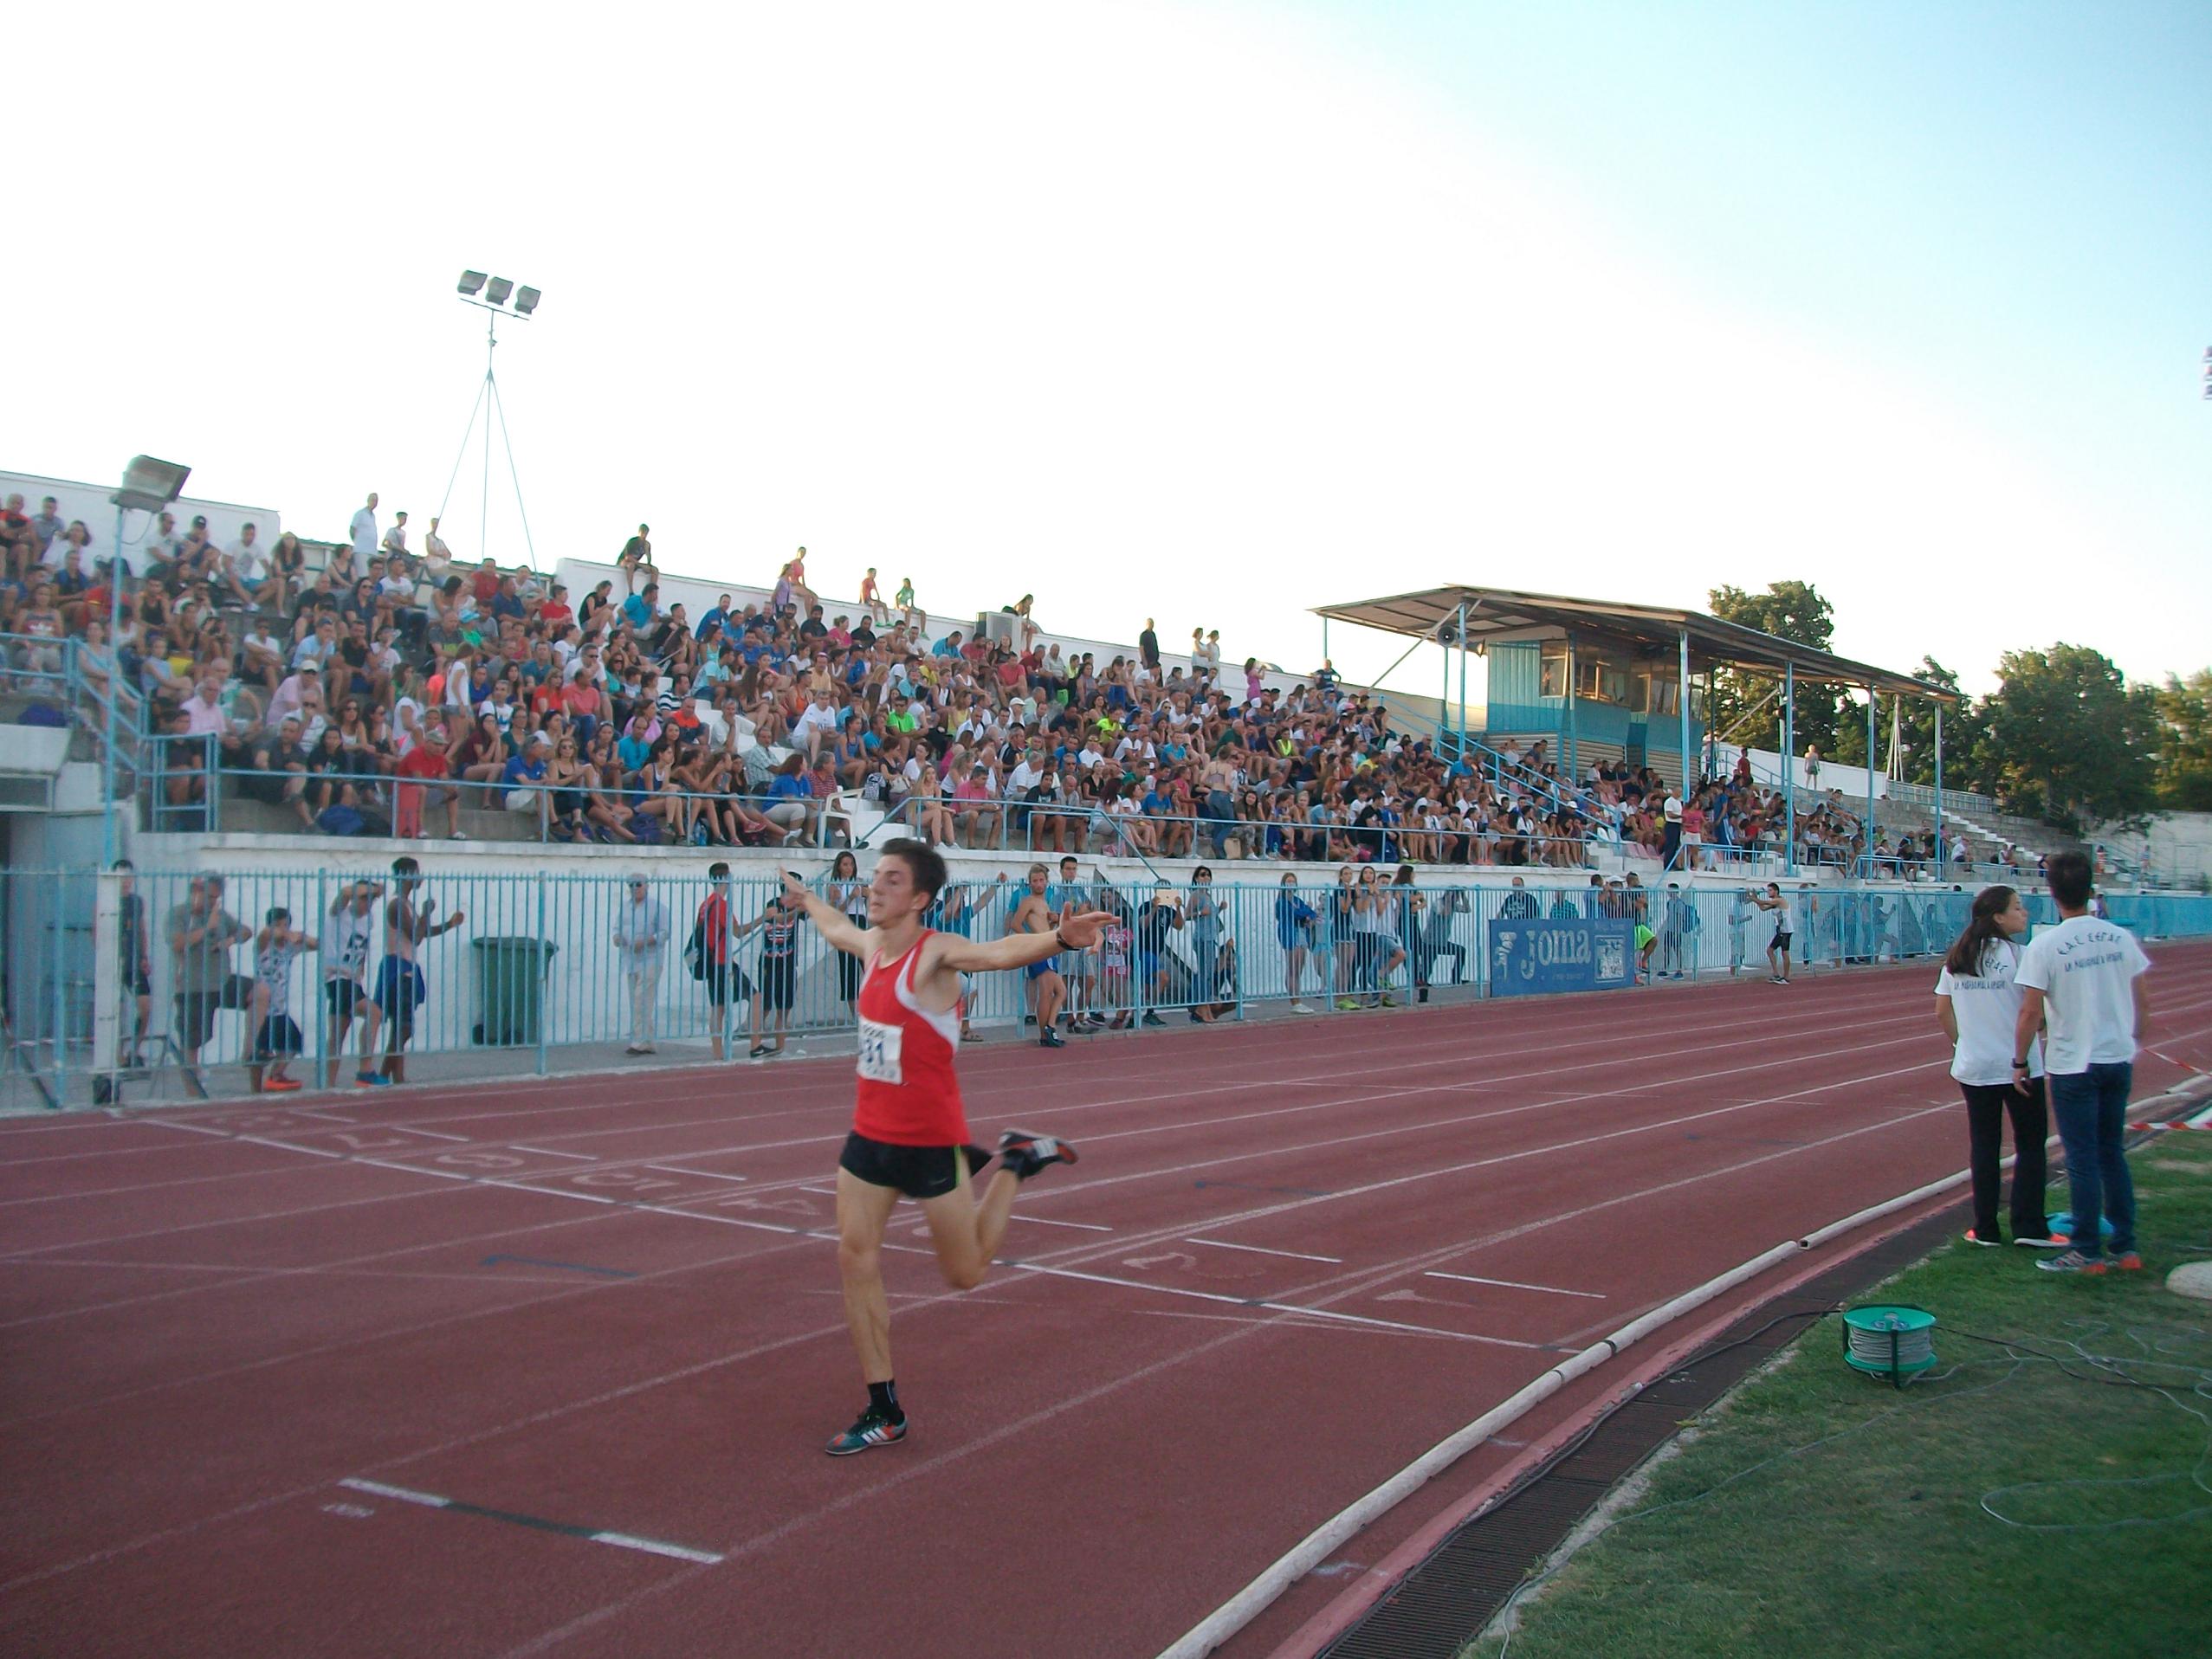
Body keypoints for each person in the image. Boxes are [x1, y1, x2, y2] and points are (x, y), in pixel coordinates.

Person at [773, 842, 1105, 1456]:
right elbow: (837, 928)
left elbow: (998, 952)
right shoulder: (873, 947)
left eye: (891, 881)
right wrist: (808, 900)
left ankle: (1015, 1163)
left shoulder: (935, 955)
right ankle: (885, 1408)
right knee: (855, 1256)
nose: (875, 888)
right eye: (875, 878)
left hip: (929, 1142)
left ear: (920, 897)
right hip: (869, 1137)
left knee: (966, 1273)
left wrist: (1061, 938)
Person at [2015, 853, 2152, 1275]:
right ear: (2092, 890)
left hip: (2075, 1062)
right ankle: (2125, 1246)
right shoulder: (2119, 938)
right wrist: (2131, 1041)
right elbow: (2141, 1001)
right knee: (2112, 1152)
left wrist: (2019, 1061)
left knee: (2082, 1158)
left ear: (2052, 894)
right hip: (2115, 1057)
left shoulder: (2045, 945)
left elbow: (2029, 1013)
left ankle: (2087, 1249)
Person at [1935, 886, 2059, 1249]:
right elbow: (2033, 1012)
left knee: (1985, 1146)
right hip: (2019, 1065)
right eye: (2018, 908)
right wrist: (2027, 1042)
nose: (2025, 913)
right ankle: (2029, 1226)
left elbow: (1943, 1010)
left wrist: (1962, 1043)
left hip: (1975, 1064)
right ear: (1998, 917)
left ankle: (1985, 1227)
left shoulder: (1958, 960)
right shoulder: (2022, 957)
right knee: (2031, 1143)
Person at [376, 857, 464, 1082]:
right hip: (398, 969)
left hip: (406, 968)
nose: (421, 877)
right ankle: (384, 1074)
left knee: (400, 1025)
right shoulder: (397, 905)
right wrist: (426, 912)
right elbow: (416, 936)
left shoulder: (406, 904)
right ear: (408, 875)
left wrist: (448, 925)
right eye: (417, 872)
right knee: (404, 1027)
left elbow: (422, 931)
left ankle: (398, 1077)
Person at [166, 875, 247, 1074]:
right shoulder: (178, 914)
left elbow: (246, 931)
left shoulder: (220, 915)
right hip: (192, 985)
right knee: (192, 1041)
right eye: (210, 897)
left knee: (260, 993)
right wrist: (207, 928)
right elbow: (177, 943)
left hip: (221, 981)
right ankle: (193, 1089)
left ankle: (250, 1051)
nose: (213, 902)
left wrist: (231, 939)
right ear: (195, 892)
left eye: (216, 898)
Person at [322, 879, 387, 1088]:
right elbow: (346, 891)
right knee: (374, 1012)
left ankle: (328, 1082)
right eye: (363, 898)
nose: (367, 903)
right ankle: (365, 1070)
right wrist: (368, 889)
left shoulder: (369, 919)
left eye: (371, 900)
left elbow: (363, 947)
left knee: (338, 1031)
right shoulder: (339, 914)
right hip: (337, 978)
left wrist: (361, 970)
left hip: (352, 979)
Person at [249, 907, 318, 1093]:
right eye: (278, 924)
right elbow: (266, 934)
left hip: (279, 1009)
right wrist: (285, 933)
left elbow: (316, 944)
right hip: (263, 1009)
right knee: (260, 1052)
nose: (283, 929)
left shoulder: (289, 948)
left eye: (286, 924)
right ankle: (255, 1090)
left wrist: (302, 937)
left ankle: (276, 1075)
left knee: (293, 1042)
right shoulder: (264, 944)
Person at [742, 885, 805, 1058]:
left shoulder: (798, 906)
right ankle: (756, 1044)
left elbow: (818, 915)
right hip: (770, 962)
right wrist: (797, 911)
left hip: (789, 961)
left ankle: (780, 1048)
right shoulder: (774, 904)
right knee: (766, 1006)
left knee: (785, 1007)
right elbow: (779, 919)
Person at [1011, 865, 1070, 1047]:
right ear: (1029, 883)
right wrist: (1034, 941)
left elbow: (1045, 929)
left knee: (1061, 992)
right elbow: (1016, 924)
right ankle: (1045, 1035)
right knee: (1046, 993)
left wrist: (1053, 922)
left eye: (1041, 880)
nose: (1038, 884)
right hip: (1040, 949)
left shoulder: (1045, 903)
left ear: (1047, 882)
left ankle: (1050, 1027)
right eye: (1035, 881)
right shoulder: (1028, 901)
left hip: (1049, 948)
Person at [613, 873, 669, 1055]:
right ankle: (646, 1039)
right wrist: (617, 937)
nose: (635, 888)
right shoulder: (625, 908)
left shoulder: (657, 907)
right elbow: (617, 927)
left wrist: (646, 941)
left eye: (638, 884)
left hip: (650, 960)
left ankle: (639, 1041)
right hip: (630, 960)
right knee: (636, 1000)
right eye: (631, 885)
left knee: (641, 999)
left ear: (647, 886)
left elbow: (664, 933)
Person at [1276, 874, 1318, 1013]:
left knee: (1299, 968)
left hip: (1301, 934)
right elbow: (1297, 914)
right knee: (1292, 967)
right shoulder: (1281, 901)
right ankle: (1295, 1001)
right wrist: (1305, 911)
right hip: (1290, 934)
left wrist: (1306, 912)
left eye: (1293, 881)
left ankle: (1297, 999)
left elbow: (1311, 913)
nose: (1291, 884)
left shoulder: (1296, 900)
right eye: (1288, 881)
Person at [1750, 882, 1792, 984]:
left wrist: (1753, 898)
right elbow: (1763, 908)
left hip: (1786, 931)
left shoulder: (1779, 900)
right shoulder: (1774, 903)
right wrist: (1755, 899)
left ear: (1776, 891)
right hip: (1780, 931)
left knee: (1785, 953)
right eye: (1768, 890)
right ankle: (1776, 974)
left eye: (1770, 890)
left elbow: (1763, 902)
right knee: (1770, 950)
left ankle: (1786, 977)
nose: (1768, 892)